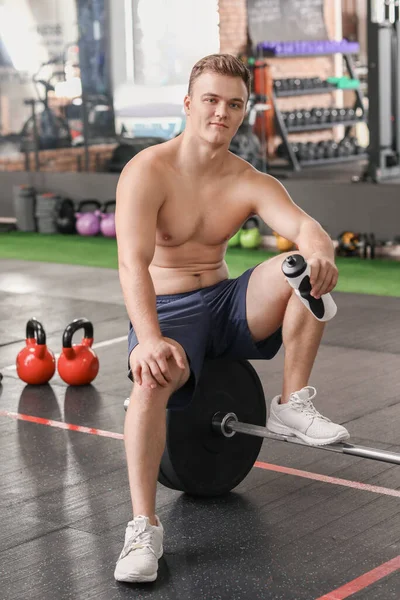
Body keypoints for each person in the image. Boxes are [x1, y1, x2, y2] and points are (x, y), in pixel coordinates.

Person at [113, 53, 350, 584]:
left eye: (234, 104)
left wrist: (320, 252)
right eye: (212, 100)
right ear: (189, 103)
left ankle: (292, 402)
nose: (222, 112)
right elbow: (132, 264)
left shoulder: (247, 179)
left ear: (244, 111)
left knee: (298, 269)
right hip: (168, 309)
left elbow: (306, 226)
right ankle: (142, 528)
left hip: (226, 302)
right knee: (151, 380)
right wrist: (148, 338)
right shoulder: (147, 171)